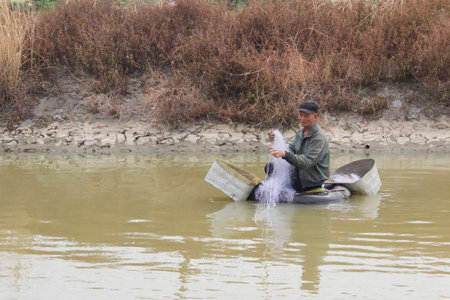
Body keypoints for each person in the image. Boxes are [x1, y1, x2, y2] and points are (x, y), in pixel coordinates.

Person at [268, 100, 330, 192]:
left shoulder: (319, 137)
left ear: (315, 117)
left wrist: (284, 154)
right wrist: (275, 140)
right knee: (269, 167)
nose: (302, 118)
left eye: (306, 116)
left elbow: (305, 162)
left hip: (311, 180)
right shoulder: (300, 132)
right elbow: (291, 150)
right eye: (300, 115)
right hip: (300, 174)